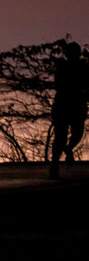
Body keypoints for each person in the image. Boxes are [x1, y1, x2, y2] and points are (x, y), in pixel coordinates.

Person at [49, 41, 89, 179]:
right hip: (70, 105)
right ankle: (57, 162)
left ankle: (60, 158)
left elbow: (57, 86)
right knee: (67, 135)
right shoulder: (77, 67)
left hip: (68, 105)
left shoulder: (78, 67)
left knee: (67, 135)